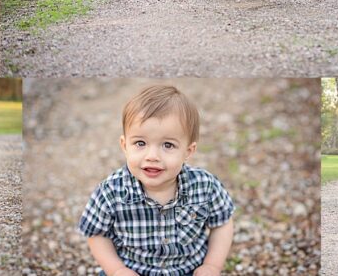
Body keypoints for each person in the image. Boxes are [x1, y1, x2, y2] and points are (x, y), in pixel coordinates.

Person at [78, 84, 235, 276]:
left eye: (168, 145)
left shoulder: (205, 186)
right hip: (132, 270)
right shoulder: (111, 191)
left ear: (188, 151)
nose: (152, 155)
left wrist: (211, 266)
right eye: (140, 143)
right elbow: (96, 234)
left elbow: (222, 223)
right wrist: (117, 270)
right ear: (124, 145)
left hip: (189, 269)